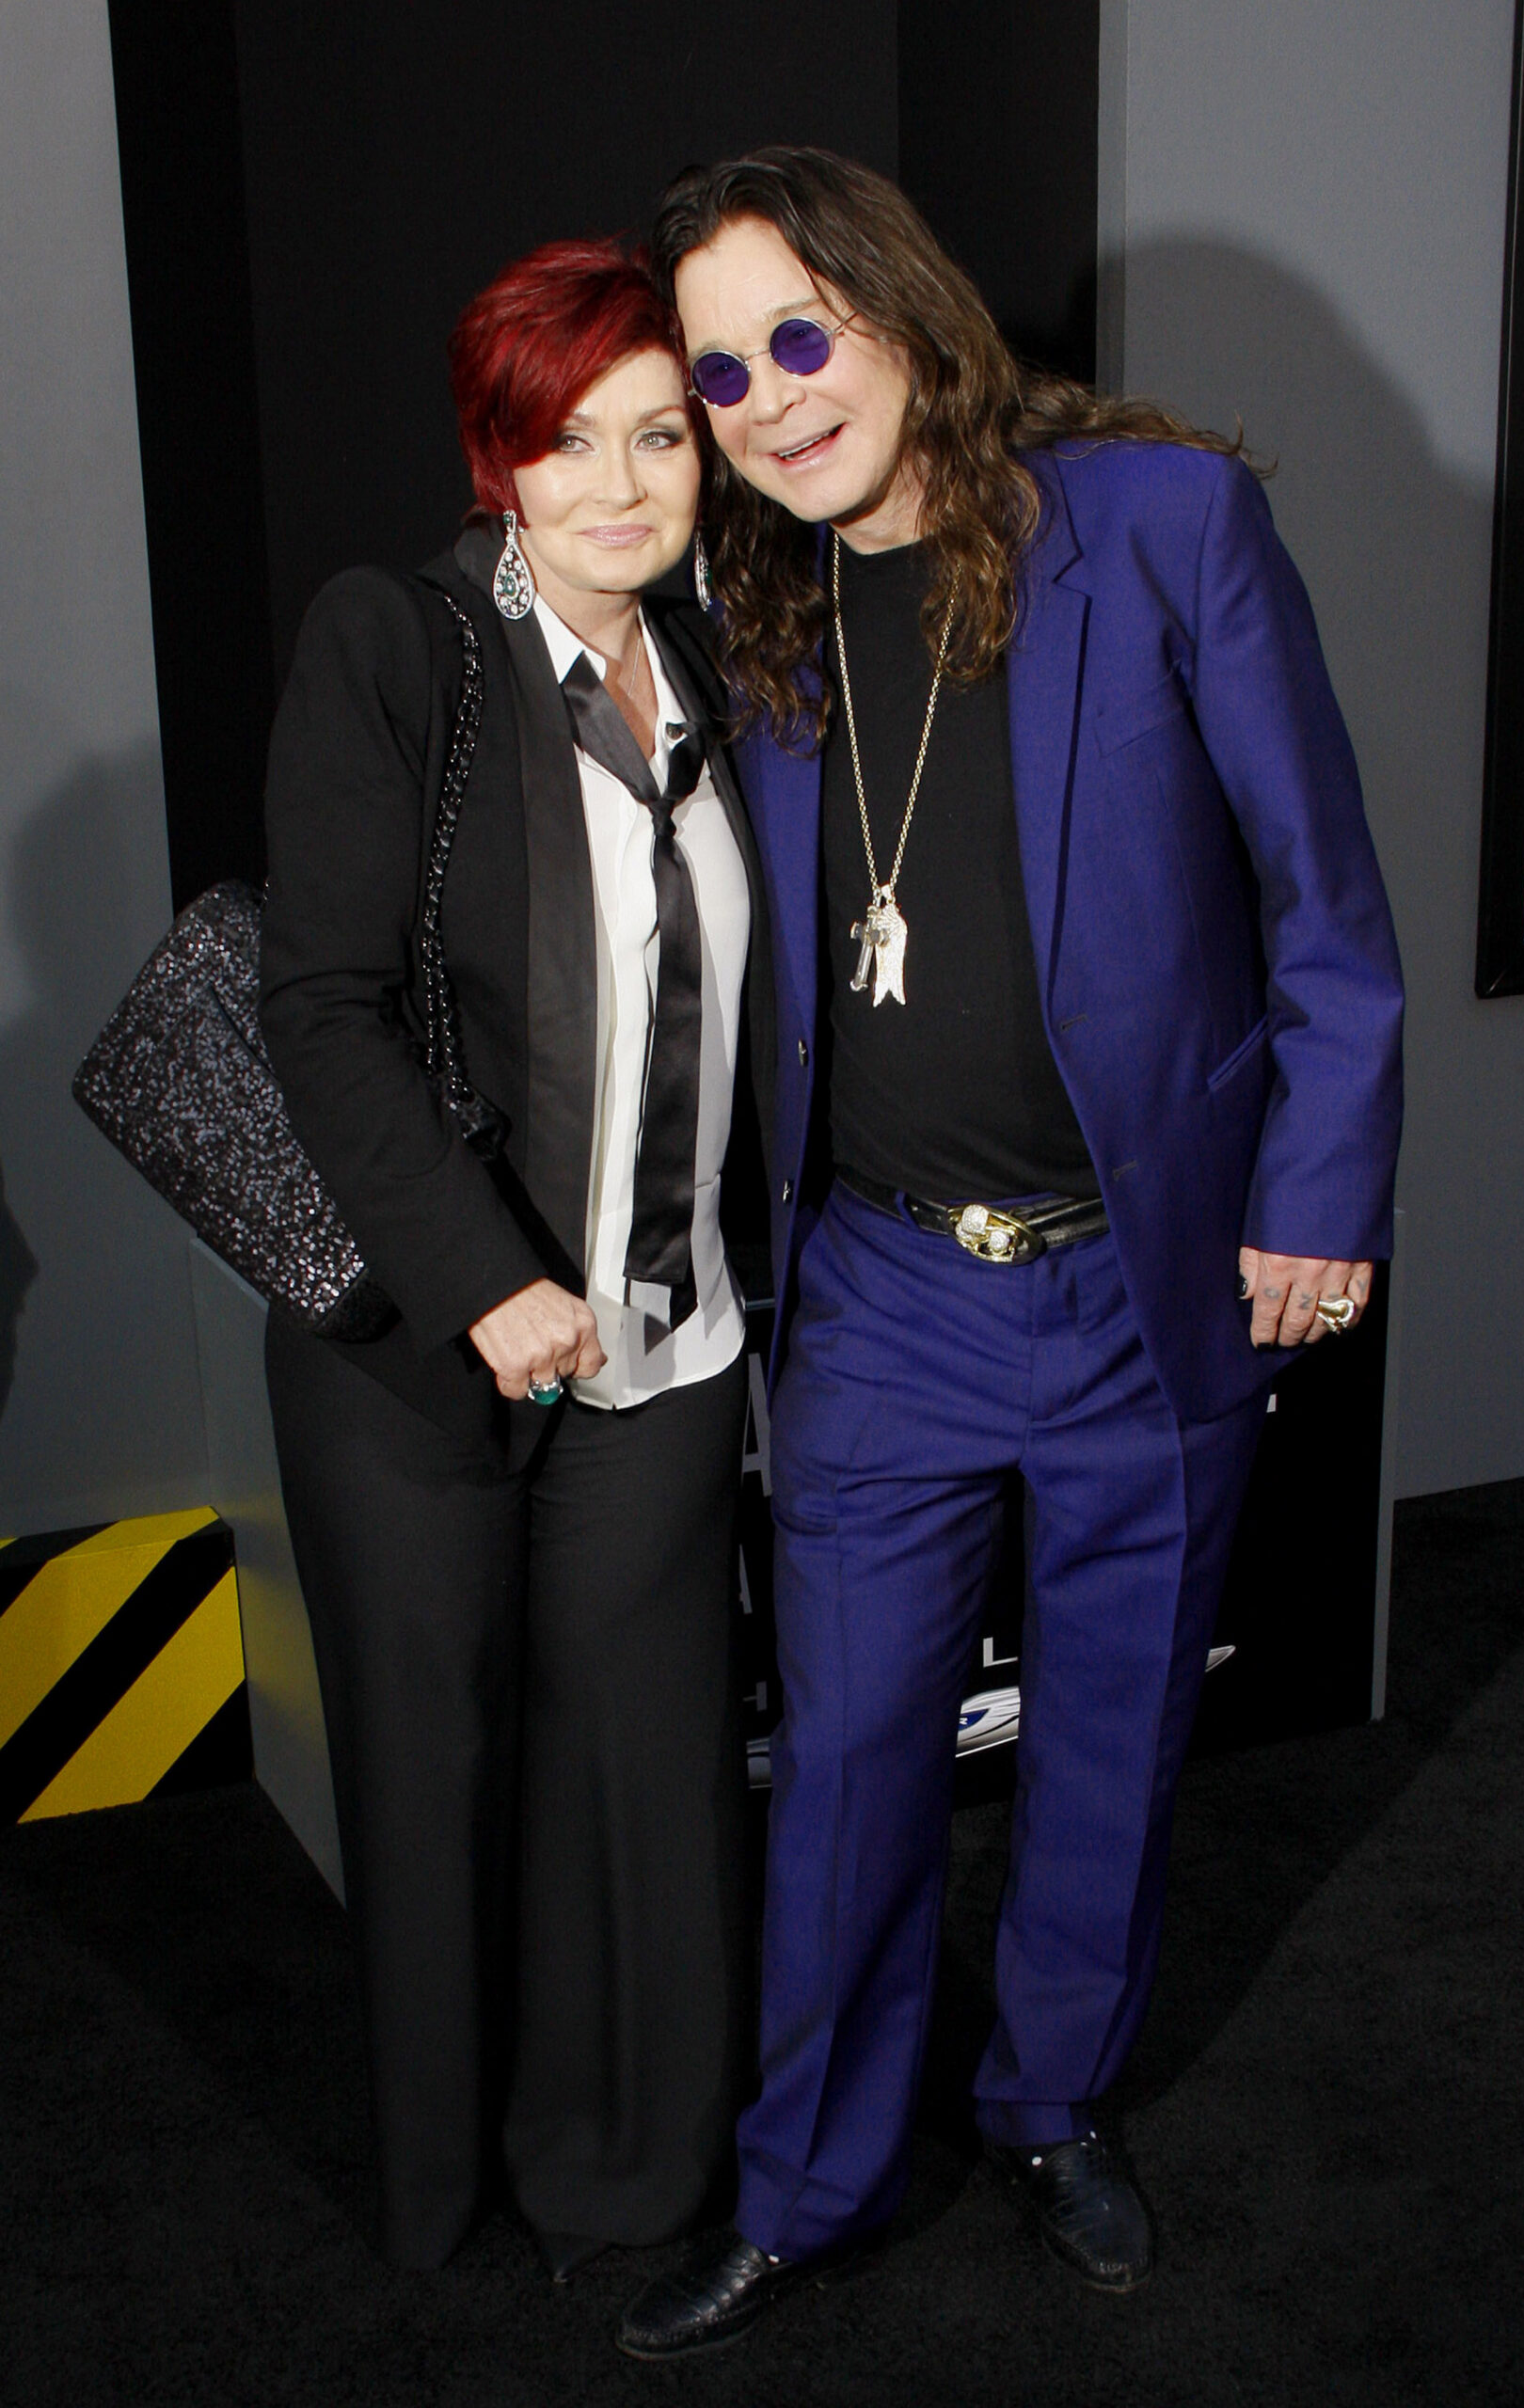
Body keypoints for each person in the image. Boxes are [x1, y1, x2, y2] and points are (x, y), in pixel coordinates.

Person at [616, 148, 1404, 2359]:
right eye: (721, 369)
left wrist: (1315, 1201)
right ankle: (805, 2181)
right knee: (849, 1765)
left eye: (799, 333)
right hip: (875, 1297)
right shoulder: (745, 615)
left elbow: (1325, 913)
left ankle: (1052, 2100)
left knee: (1116, 1742)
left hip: (1137, 1285)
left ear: (892, 305)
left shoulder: (1159, 525)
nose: (771, 399)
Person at [258, 238, 772, 2273]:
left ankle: (631, 2170)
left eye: (658, 435)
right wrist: (487, 1280)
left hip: (666, 1342)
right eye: (568, 443)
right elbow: (319, 1005)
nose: (621, 485)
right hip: (431, 1349)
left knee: (644, 1785)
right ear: (498, 456)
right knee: (441, 1767)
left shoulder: (732, 660)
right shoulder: (401, 645)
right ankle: (439, 2195)